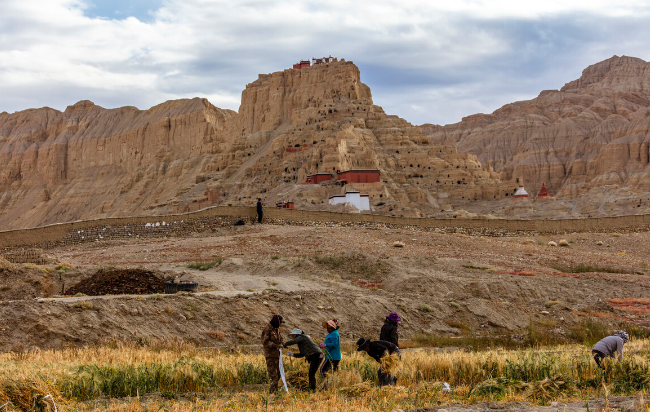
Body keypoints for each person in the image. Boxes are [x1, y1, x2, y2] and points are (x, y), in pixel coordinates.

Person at [261, 314, 284, 393]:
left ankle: (274, 390)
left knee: (278, 374)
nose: (280, 324)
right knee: (272, 374)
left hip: (277, 355)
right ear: (276, 321)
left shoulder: (276, 329)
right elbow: (265, 342)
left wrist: (281, 344)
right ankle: (273, 392)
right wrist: (275, 345)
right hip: (270, 355)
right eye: (280, 322)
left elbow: (280, 339)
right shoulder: (267, 329)